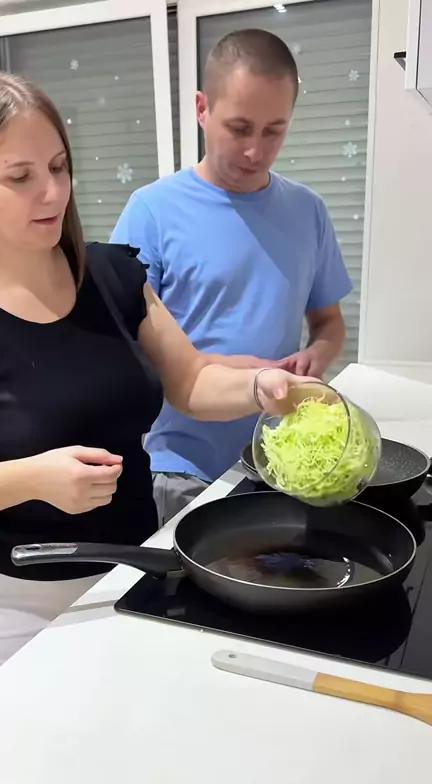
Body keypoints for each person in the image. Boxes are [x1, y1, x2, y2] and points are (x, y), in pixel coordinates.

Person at [0, 71, 307, 689]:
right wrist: (33, 478)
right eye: (20, 177)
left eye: (58, 167)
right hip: (16, 607)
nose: (52, 192)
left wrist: (261, 390)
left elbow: (192, 382)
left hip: (140, 572)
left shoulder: (111, 275)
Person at [111, 29, 353, 523]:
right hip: (181, 471)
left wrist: (317, 355)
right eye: (239, 128)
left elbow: (328, 322)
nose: (255, 151)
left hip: (280, 463)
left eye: (273, 131)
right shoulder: (151, 212)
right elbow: (122, 350)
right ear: (202, 109)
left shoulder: (308, 211)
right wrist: (237, 372)